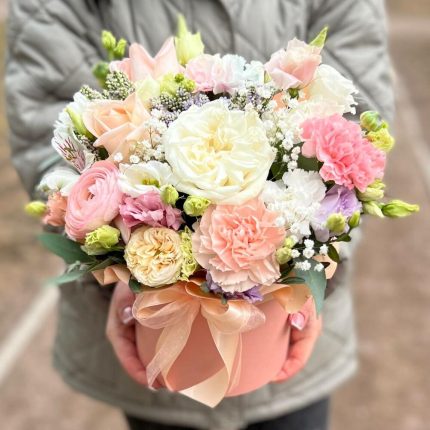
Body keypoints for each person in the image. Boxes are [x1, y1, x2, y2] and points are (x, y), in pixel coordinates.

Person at [6, 1, 393, 429]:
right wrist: (122, 273)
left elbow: (359, 127)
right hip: (151, 339)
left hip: (289, 341)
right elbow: (48, 125)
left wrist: (314, 272)